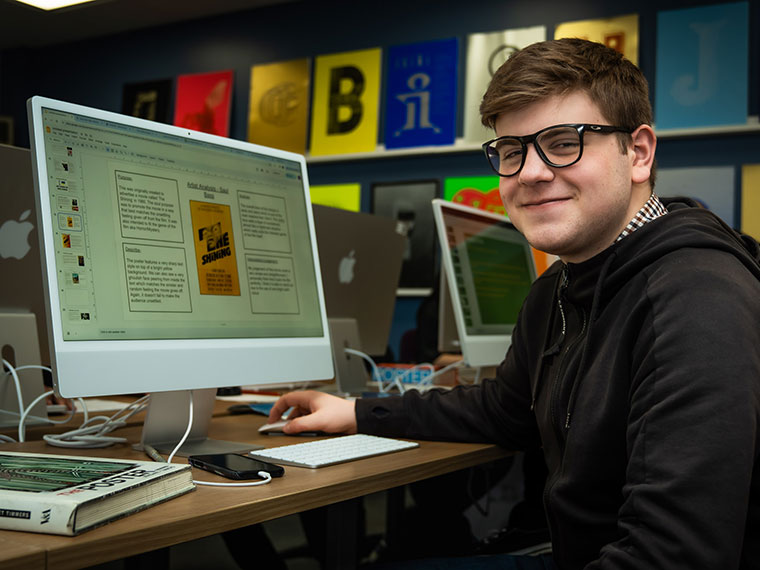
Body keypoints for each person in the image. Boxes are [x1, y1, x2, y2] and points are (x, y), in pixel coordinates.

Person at [269, 38, 760, 569]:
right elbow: (505, 411)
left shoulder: (694, 299)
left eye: (564, 142)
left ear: (638, 153)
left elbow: (674, 556)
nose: (530, 172)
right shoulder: (560, 288)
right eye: (511, 151)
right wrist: (358, 410)